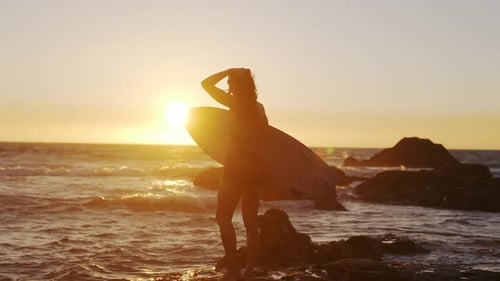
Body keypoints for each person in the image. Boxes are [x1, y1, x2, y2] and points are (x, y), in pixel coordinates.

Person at [201, 68, 268, 280]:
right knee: (250, 223)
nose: (228, 86)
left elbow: (205, 84)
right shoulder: (259, 108)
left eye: (230, 82)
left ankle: (233, 269)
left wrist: (227, 70)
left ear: (236, 85)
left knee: (223, 217)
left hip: (236, 165)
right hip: (255, 167)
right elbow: (267, 137)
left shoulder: (234, 103)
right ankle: (249, 271)